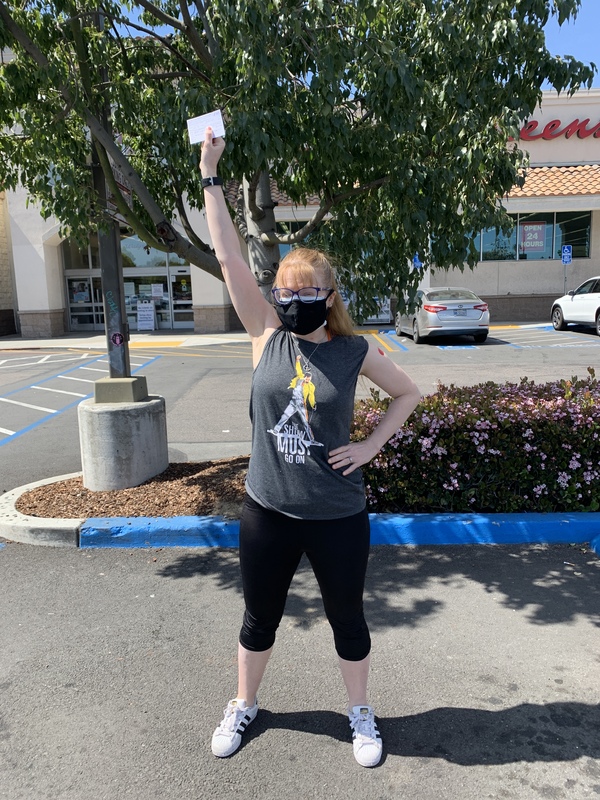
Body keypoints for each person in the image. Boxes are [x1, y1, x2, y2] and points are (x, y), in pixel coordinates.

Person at [200, 128, 421, 768]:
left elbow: (408, 395)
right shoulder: (266, 334)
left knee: (347, 621)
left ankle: (360, 714)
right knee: (258, 619)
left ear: (329, 297)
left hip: (337, 515)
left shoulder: (354, 350)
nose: (292, 300)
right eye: (285, 291)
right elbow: (228, 256)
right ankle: (244, 705)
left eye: (306, 292)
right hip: (267, 510)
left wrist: (369, 447)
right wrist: (210, 173)